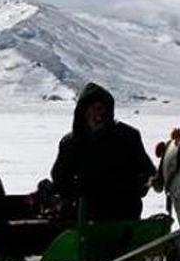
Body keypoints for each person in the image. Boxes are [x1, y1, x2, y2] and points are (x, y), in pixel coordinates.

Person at [49, 82, 156, 221]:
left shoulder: (127, 137)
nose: (98, 115)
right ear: (83, 112)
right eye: (92, 109)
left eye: (101, 109)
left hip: (124, 215)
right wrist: (78, 191)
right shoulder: (71, 143)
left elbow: (147, 172)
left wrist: (127, 189)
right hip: (84, 218)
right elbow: (59, 178)